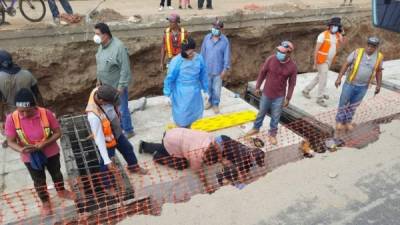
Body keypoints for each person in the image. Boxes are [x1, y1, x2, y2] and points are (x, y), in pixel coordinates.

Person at [5, 88, 75, 216]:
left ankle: (61, 191)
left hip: (50, 151)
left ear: (35, 106)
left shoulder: (45, 113)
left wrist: (45, 143)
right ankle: (45, 202)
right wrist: (22, 149)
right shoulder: (12, 119)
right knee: (38, 180)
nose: (24, 114)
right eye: (21, 111)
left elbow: (58, 132)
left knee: (56, 173)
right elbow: (10, 141)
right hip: (30, 156)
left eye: (28, 111)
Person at [86, 85, 148, 177]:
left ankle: (133, 167)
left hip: (116, 131)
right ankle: (107, 185)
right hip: (107, 139)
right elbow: (99, 140)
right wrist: (107, 160)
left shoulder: (99, 91)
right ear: (102, 101)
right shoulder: (93, 115)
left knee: (128, 148)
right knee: (107, 162)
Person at [246, 41, 297, 145]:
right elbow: (262, 73)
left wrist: (288, 98)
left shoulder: (292, 67)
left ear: (289, 53)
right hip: (266, 93)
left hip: (279, 96)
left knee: (276, 116)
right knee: (261, 112)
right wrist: (257, 86)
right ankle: (256, 128)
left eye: (283, 52)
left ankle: (272, 134)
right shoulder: (271, 59)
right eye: (278, 51)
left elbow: (292, 84)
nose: (279, 53)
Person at [94, 23, 135, 138]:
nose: (95, 36)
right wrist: (99, 80)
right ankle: (118, 127)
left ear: (105, 35)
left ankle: (128, 130)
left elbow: (125, 69)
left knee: (122, 108)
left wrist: (121, 87)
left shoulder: (118, 47)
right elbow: (100, 63)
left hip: (116, 86)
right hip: (105, 86)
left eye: (97, 34)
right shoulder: (102, 45)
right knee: (112, 109)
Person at [334, 36, 383, 132]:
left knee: (354, 105)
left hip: (363, 86)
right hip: (350, 84)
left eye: (372, 46)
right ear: (366, 44)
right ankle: (339, 121)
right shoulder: (357, 52)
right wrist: (339, 78)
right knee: (343, 102)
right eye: (368, 45)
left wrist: (378, 85)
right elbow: (346, 64)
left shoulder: (379, 57)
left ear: (376, 47)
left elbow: (379, 71)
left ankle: (347, 121)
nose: (369, 48)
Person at [163, 37, 208, 128]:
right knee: (182, 117)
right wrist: (167, 94)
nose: (190, 55)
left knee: (196, 116)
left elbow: (203, 75)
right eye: (187, 53)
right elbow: (170, 78)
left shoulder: (199, 59)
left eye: (191, 52)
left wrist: (205, 90)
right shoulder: (176, 61)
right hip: (181, 93)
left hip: (195, 93)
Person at [0, 50, 42, 147]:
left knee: (15, 128)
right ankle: (35, 141)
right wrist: (41, 110)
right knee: (30, 126)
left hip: (12, 110)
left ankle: (13, 141)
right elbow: (37, 95)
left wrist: (1, 120)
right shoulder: (27, 74)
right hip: (29, 108)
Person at [302, 17, 345, 107]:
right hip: (322, 60)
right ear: (329, 26)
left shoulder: (337, 35)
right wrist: (315, 62)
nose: (335, 27)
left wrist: (342, 34)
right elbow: (316, 50)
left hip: (329, 61)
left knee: (319, 77)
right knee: (323, 78)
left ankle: (306, 90)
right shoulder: (322, 35)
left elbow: (342, 43)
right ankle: (320, 98)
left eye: (337, 26)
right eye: (334, 26)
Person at [201, 19, 231, 114]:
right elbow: (202, 53)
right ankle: (209, 102)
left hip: (218, 71)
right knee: (208, 88)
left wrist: (225, 70)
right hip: (207, 69)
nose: (215, 29)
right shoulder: (206, 38)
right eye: (214, 27)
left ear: (222, 29)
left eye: (217, 28)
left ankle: (216, 104)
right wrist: (200, 67)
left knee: (217, 90)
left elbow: (227, 56)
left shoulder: (225, 41)